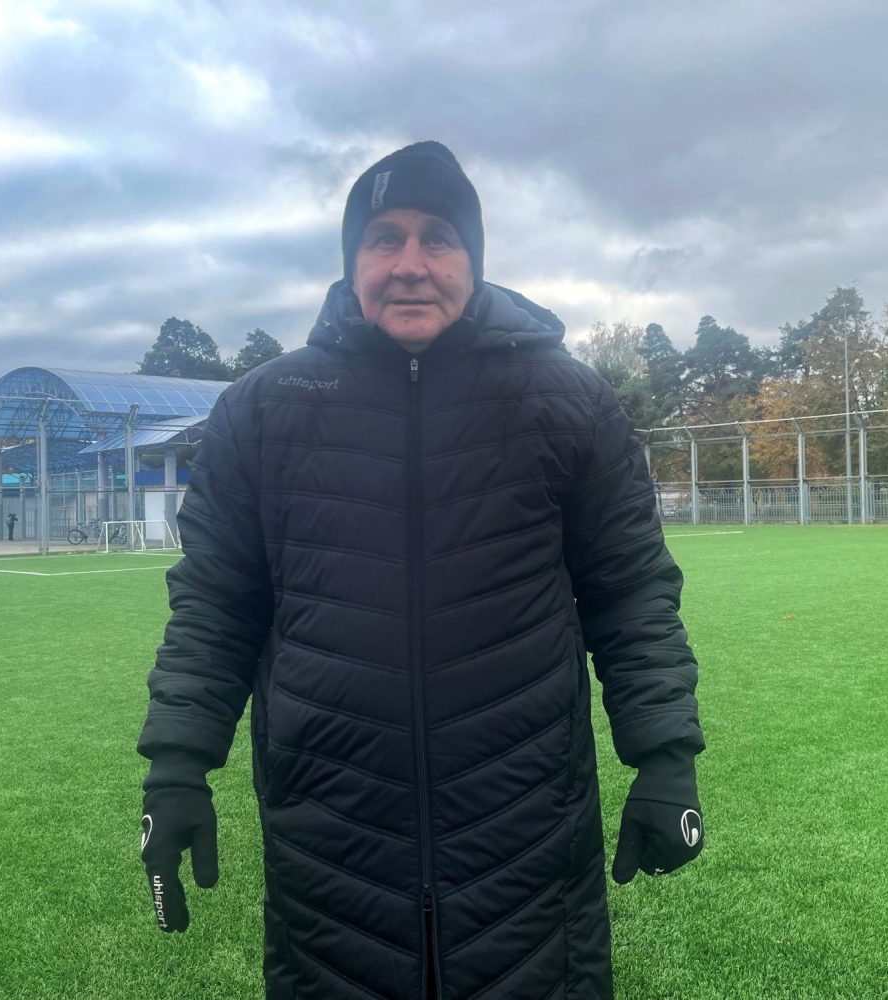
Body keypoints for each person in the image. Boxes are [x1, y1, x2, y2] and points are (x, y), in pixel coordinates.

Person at [137, 141, 705, 999]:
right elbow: (217, 604)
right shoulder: (263, 408)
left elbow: (628, 594)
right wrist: (177, 767)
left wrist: (665, 759)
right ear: (351, 262)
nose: (410, 264)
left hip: (524, 823)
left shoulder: (567, 401)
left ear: (471, 258)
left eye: (437, 237)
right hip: (329, 830)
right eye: (383, 238)